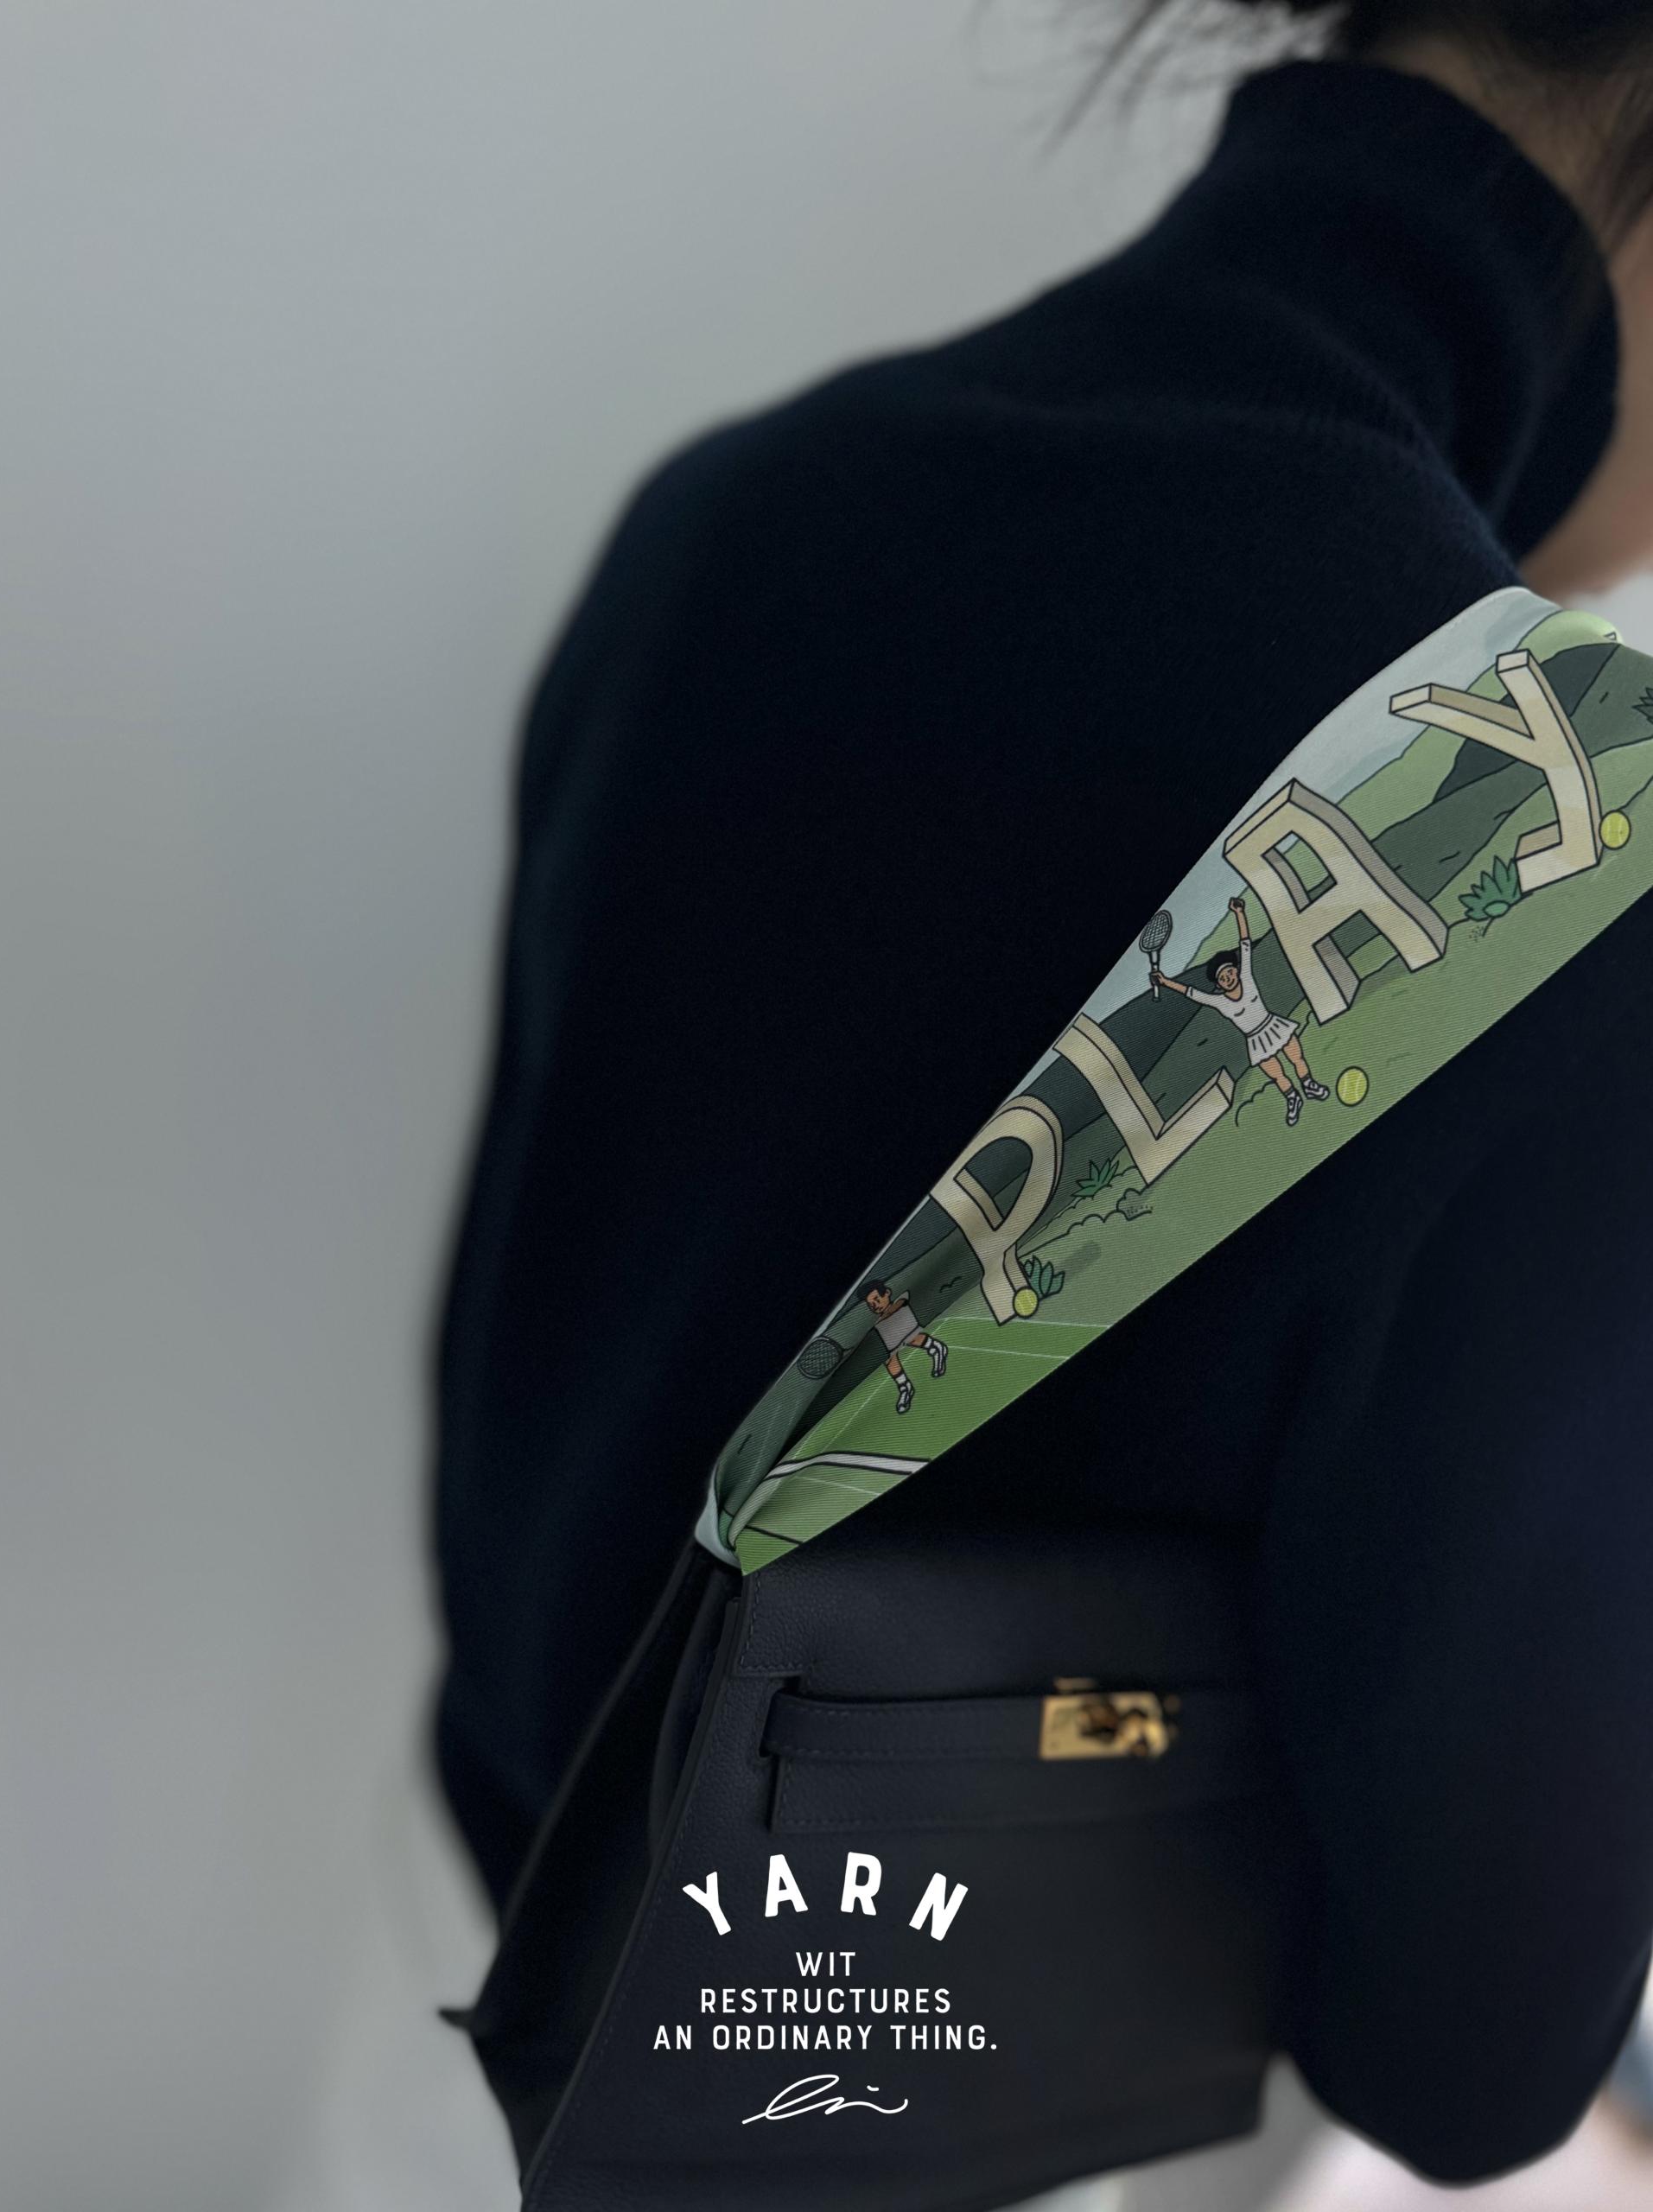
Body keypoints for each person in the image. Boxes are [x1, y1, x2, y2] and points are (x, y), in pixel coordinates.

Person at [435, 3, 1653, 2187]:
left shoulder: (733, 503)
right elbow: (1464, 2063)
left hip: (474, 2004)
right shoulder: (1551, 856)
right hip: (926, 2114)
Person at [1154, 895, 1332, 1124]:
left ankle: (1309, 1085)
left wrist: (1239, 913)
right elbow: (1192, 993)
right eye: (1223, 978)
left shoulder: (1246, 977)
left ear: (1236, 971)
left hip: (1272, 1025)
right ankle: (1292, 1098)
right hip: (1255, 1039)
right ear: (1219, 985)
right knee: (1277, 1073)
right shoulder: (1220, 1002)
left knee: (1296, 1057)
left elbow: (1245, 945)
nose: (1228, 978)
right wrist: (1165, 982)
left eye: (1230, 972)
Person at [861, 1279, 948, 1413]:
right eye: (871, 1305)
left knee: (912, 1338)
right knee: (890, 1361)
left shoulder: (901, 1299)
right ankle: (905, 1386)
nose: (875, 1306)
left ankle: (936, 1348)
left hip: (906, 1327)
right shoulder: (877, 1321)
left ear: (887, 1293)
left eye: (877, 1299)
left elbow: (897, 1306)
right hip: (891, 1340)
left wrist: (882, 1319)